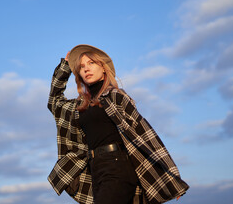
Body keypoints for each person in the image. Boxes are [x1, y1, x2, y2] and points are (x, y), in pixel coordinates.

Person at [47, 44, 189, 204]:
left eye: (91, 63)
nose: (86, 68)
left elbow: (144, 133)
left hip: (118, 166)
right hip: (94, 170)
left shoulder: (116, 97)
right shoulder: (79, 107)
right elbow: (54, 101)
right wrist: (65, 67)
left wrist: (171, 177)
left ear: (103, 68)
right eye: (81, 66)